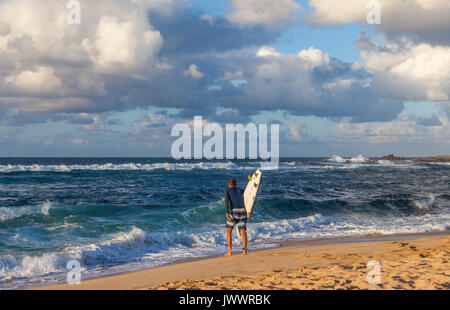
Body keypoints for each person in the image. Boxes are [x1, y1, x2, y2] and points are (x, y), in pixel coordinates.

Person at [224, 178, 251, 256]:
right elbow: (248, 200)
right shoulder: (241, 190)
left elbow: (226, 201)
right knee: (243, 231)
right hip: (243, 211)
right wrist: (249, 210)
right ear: (235, 184)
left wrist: (226, 213)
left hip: (234, 212)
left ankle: (229, 251)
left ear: (229, 184)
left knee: (229, 231)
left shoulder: (227, 191)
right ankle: (244, 251)